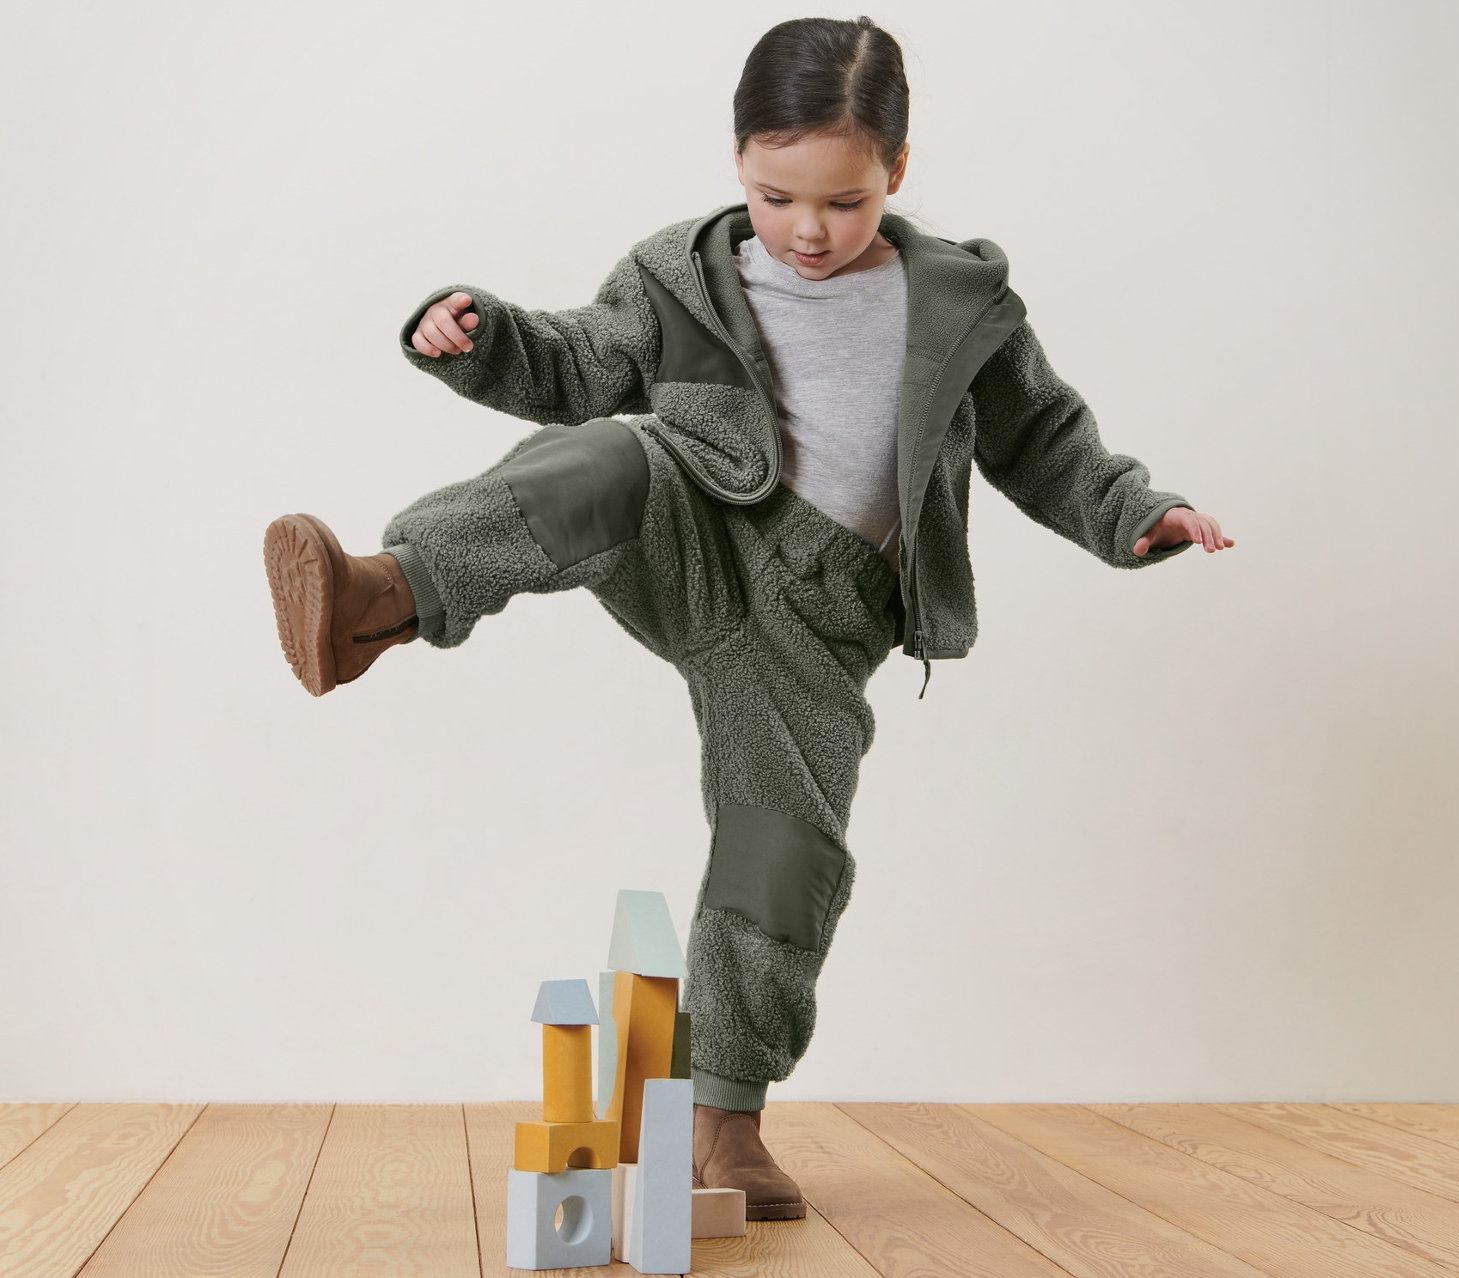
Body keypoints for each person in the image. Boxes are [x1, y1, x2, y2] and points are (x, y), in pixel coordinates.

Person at [262, 14, 1233, 1221]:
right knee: (607, 456)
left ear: (898, 171)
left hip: (823, 619)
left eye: (844, 201)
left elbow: (1045, 436)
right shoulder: (682, 273)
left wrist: (1138, 510)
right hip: (703, 525)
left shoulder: (959, 301)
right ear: (738, 163)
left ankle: (723, 1121)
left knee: (787, 850)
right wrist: (479, 336)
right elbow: (573, 364)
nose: (809, 231)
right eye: (779, 198)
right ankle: (380, 596)